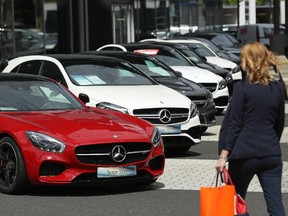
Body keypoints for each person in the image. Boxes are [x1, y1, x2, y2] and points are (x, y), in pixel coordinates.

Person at [215, 41, 286, 216]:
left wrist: (223, 156)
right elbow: (279, 122)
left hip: (244, 155)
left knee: (236, 201)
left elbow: (234, 124)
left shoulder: (242, 89)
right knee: (276, 203)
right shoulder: (277, 88)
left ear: (246, 61)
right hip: (270, 154)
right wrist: (269, 143)